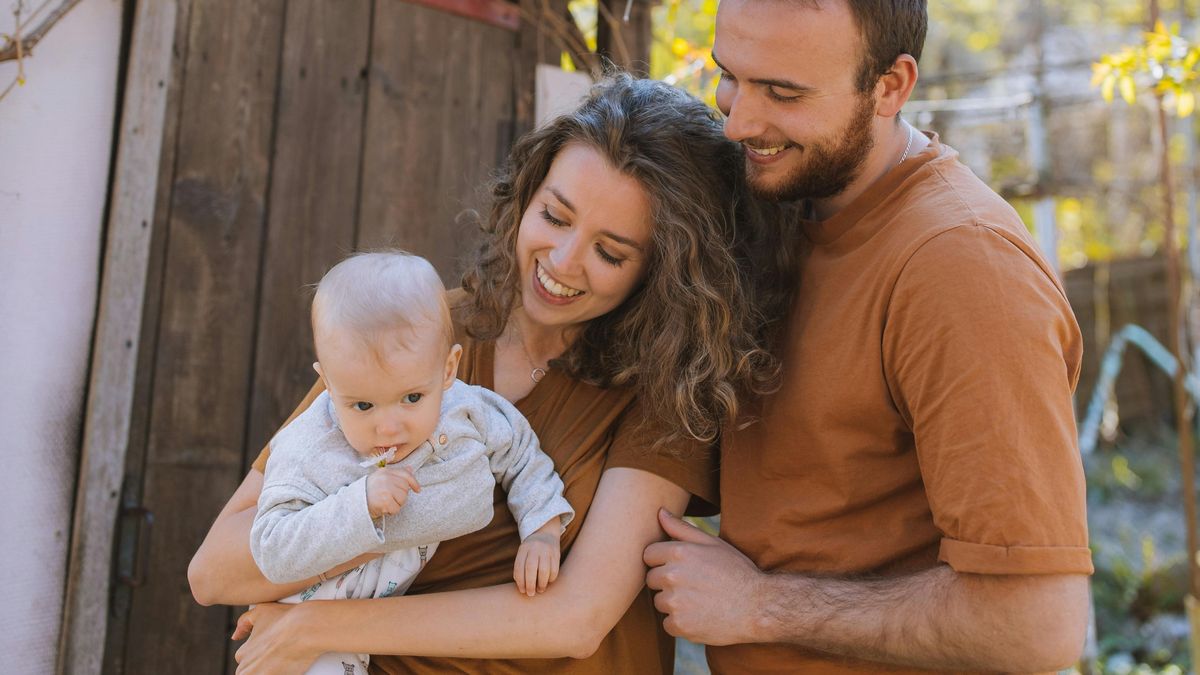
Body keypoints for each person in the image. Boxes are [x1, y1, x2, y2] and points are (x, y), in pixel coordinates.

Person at [187, 73, 790, 674]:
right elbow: (215, 570)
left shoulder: (666, 391)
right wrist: (370, 515)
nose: (562, 262)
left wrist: (315, 624)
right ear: (528, 195)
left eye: (610, 252)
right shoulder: (420, 333)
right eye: (554, 216)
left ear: (661, 271)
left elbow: (575, 618)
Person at [642, 1, 1092, 673]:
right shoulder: (788, 203)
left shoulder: (961, 267)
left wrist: (762, 604)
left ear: (890, 87)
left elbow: (1037, 623)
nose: (738, 122)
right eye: (730, 74)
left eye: (784, 93)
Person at [251, 251, 575, 674]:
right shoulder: (306, 446)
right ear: (327, 384)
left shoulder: (468, 410)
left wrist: (543, 532)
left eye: (411, 398)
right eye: (363, 405)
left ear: (447, 369)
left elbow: (521, 456)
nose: (389, 427)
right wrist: (359, 503)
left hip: (377, 625)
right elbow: (271, 549)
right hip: (310, 608)